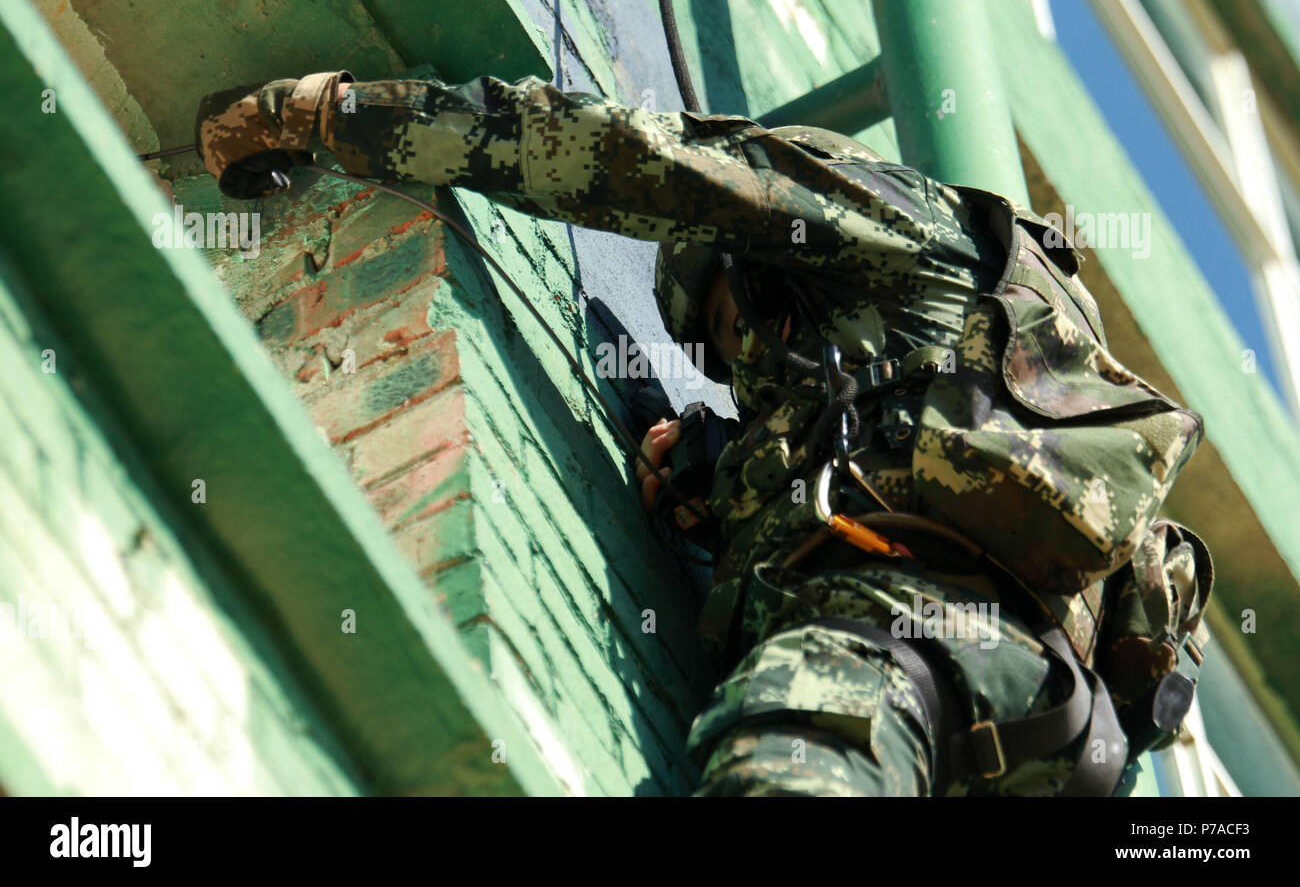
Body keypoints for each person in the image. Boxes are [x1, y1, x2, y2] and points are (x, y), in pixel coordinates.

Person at [196, 70, 1210, 796]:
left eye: (732, 334)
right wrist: (709, 488)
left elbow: (639, 161)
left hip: (898, 659)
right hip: (1047, 732)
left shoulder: (901, 234)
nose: (744, 375)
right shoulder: (940, 389)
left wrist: (337, 116)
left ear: (763, 277)